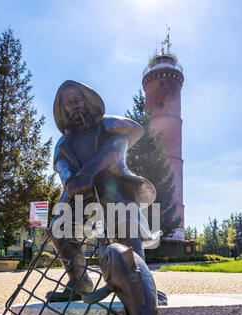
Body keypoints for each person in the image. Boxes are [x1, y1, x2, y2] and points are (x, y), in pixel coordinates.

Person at [47, 81, 161, 301]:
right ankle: (79, 283)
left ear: (87, 100)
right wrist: (70, 180)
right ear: (63, 110)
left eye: (77, 99)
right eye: (68, 103)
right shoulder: (64, 142)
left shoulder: (110, 126)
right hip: (79, 191)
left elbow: (115, 150)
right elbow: (62, 165)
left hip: (113, 183)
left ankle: (141, 284)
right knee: (58, 229)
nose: (74, 105)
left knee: (125, 224)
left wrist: (88, 172)